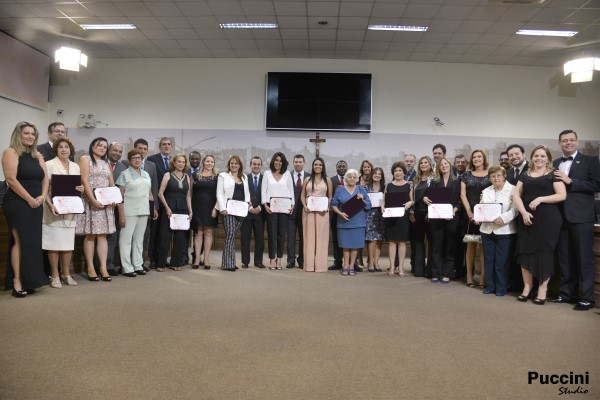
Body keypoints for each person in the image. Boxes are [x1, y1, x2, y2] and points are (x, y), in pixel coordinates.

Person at [550, 130, 600, 311]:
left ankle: (586, 298)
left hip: (581, 217)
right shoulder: (555, 163)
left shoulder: (591, 160)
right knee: (565, 257)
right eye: (564, 141)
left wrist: (571, 181)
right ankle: (566, 294)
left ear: (577, 142)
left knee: (584, 258)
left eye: (571, 140)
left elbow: (597, 185)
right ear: (559, 143)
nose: (568, 143)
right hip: (560, 216)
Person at [512, 145, 566, 305]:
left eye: (543, 156)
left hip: (549, 219)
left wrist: (541, 199)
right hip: (527, 217)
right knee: (525, 251)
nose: (539, 159)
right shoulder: (525, 174)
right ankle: (527, 288)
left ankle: (543, 290)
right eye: (536, 156)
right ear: (532, 158)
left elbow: (562, 195)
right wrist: (523, 212)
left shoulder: (553, 174)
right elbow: (515, 195)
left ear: (548, 159)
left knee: (545, 252)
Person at [2, 122, 49, 297]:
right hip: (18, 203)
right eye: (26, 133)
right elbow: (11, 180)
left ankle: (30, 280)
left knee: (32, 244)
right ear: (18, 135)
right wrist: (29, 199)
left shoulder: (37, 155)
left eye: (33, 134)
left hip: (36, 202)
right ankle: (17, 281)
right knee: (20, 242)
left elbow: (45, 179)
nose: (30, 136)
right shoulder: (11, 152)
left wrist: (43, 197)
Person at [42, 137, 82, 288]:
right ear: (56, 150)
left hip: (71, 210)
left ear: (70, 150)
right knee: (54, 244)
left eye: (67, 147)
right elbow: (44, 190)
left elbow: (78, 187)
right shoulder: (48, 165)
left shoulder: (75, 166)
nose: (64, 149)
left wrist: (82, 190)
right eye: (61, 147)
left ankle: (66, 274)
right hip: (54, 210)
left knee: (67, 244)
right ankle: (55, 275)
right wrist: (50, 204)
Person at [75, 137, 117, 282]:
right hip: (90, 200)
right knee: (91, 235)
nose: (102, 148)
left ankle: (103, 268)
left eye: (105, 147)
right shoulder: (85, 159)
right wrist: (92, 200)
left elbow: (111, 183)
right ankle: (90, 267)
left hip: (105, 203)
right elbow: (84, 181)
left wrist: (114, 198)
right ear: (92, 146)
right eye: (99, 145)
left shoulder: (106, 163)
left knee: (103, 236)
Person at [479, 166, 518, 296]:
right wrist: (479, 215)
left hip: (505, 230)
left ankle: (501, 288)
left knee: (502, 261)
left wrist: (503, 218)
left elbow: (516, 208)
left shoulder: (513, 189)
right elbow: (482, 207)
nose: (496, 178)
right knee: (489, 260)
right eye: (493, 176)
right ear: (489, 178)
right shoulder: (485, 191)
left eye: (498, 175)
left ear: (504, 176)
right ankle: (490, 286)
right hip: (487, 230)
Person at [116, 149, 153, 277]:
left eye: (139, 158)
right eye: (134, 158)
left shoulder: (146, 174)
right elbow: (119, 197)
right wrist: (121, 214)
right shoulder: (124, 174)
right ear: (129, 160)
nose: (137, 160)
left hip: (144, 211)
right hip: (129, 212)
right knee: (126, 240)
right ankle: (127, 267)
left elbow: (149, 194)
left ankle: (138, 265)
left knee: (139, 240)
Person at [124, 138, 159, 272]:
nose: (142, 152)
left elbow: (153, 188)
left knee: (142, 237)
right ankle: (128, 266)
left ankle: (139, 263)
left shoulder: (151, 166)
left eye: (145, 149)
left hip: (145, 207)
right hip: (130, 208)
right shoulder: (124, 165)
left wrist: (154, 206)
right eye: (140, 148)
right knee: (128, 238)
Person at [425, 157, 461, 284]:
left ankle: (447, 273)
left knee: (450, 246)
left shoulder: (457, 181)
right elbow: (428, 198)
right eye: (441, 165)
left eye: (446, 164)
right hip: (436, 219)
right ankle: (436, 273)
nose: (444, 166)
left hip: (451, 218)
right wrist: (425, 198)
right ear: (438, 168)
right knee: (436, 246)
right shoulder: (434, 182)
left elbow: (460, 202)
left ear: (450, 166)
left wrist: (454, 210)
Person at [331, 169, 371, 276]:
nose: (352, 179)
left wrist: (362, 199)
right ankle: (345, 265)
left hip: (358, 223)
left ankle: (352, 266)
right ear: (346, 178)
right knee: (346, 246)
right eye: (350, 177)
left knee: (355, 246)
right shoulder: (340, 190)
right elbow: (333, 204)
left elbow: (369, 206)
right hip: (344, 223)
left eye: (354, 177)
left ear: (357, 179)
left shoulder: (361, 190)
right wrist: (340, 213)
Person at [460, 149, 491, 288]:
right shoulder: (466, 175)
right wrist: (469, 213)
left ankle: (483, 278)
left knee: (484, 246)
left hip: (487, 213)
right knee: (470, 245)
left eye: (479, 157)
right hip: (470, 214)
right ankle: (469, 276)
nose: (477, 159)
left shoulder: (491, 174)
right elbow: (462, 195)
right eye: (474, 157)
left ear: (484, 158)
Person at [157, 154, 192, 272]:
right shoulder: (168, 175)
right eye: (179, 161)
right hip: (169, 210)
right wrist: (166, 208)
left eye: (183, 162)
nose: (181, 164)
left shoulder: (187, 177)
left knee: (180, 238)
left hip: (182, 211)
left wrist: (190, 210)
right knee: (165, 237)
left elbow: (188, 196)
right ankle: (160, 264)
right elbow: (160, 193)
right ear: (174, 163)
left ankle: (175, 263)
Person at [216, 155, 250, 271]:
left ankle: (230, 261)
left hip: (240, 210)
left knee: (232, 236)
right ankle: (227, 264)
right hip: (228, 210)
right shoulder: (223, 176)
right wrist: (222, 208)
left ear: (239, 165)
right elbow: (219, 193)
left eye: (236, 163)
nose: (234, 165)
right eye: (232, 163)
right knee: (230, 234)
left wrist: (248, 204)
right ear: (229, 165)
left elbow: (247, 193)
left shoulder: (244, 177)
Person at [262, 152, 294, 270]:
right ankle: (271, 258)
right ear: (273, 161)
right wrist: (265, 204)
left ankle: (279, 258)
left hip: (285, 207)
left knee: (281, 234)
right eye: (276, 160)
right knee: (272, 234)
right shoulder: (267, 173)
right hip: (270, 207)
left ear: (283, 162)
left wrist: (292, 205)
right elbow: (263, 190)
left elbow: (291, 190)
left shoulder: (287, 174)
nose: (278, 162)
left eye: (280, 161)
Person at [300, 157, 332, 272]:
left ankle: (320, 266)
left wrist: (326, 206)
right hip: (308, 212)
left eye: (320, 165)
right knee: (309, 238)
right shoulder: (307, 179)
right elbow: (302, 195)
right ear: (312, 166)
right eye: (315, 165)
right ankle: (309, 265)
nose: (317, 166)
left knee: (321, 239)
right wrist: (304, 206)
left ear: (323, 167)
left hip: (322, 214)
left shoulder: (327, 180)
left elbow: (330, 196)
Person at [382, 162, 413, 277]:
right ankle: (391, 267)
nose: (398, 173)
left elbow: (412, 200)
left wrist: (410, 203)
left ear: (404, 173)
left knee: (402, 242)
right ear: (393, 173)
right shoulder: (389, 185)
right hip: (391, 216)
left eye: (400, 170)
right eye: (395, 171)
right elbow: (384, 201)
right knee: (391, 242)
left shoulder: (408, 185)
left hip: (403, 217)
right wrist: (382, 206)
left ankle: (401, 267)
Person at [146, 137, 173, 269]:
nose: (166, 146)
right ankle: (152, 259)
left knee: (166, 234)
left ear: (171, 147)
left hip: (170, 203)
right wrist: (153, 204)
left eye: (169, 144)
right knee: (155, 232)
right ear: (159, 146)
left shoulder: (175, 162)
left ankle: (163, 257)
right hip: (157, 202)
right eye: (164, 144)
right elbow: (150, 182)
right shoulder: (152, 160)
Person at [191, 154, 218, 270]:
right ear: (203, 163)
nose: (209, 163)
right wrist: (190, 209)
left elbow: (219, 195)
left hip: (210, 208)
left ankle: (206, 259)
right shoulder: (195, 175)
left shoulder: (217, 177)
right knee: (198, 233)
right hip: (197, 207)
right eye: (207, 161)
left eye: (212, 162)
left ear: (214, 164)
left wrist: (215, 208)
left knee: (208, 233)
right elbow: (190, 193)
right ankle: (197, 259)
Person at [410, 156, 435, 278]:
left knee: (431, 243)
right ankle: (419, 270)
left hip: (429, 214)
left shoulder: (435, 179)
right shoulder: (415, 180)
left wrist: (431, 211)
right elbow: (411, 198)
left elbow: (435, 197)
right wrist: (411, 212)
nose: (423, 164)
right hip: (417, 214)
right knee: (418, 243)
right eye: (421, 163)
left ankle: (429, 271)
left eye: (426, 162)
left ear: (430, 164)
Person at [241, 156, 266, 269]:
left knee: (260, 240)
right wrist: (249, 207)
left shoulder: (265, 179)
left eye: (258, 164)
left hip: (260, 214)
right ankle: (245, 262)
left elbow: (267, 194)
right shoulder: (244, 178)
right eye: (254, 164)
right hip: (247, 213)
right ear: (250, 165)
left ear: (261, 166)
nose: (256, 166)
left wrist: (260, 207)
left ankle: (258, 262)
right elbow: (241, 194)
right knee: (245, 239)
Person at [105, 142, 126, 276]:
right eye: (115, 150)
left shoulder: (123, 167)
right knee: (97, 237)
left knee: (112, 237)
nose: (117, 153)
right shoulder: (98, 163)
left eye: (119, 151)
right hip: (98, 206)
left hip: (116, 207)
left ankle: (109, 265)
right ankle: (97, 265)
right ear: (108, 150)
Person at [288, 154, 310, 269]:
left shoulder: (309, 177)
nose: (298, 164)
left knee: (303, 237)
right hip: (290, 211)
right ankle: (291, 260)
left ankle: (302, 260)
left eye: (300, 162)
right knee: (291, 237)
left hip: (305, 211)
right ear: (293, 163)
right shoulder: (287, 175)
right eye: (296, 162)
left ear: (304, 162)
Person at [328, 160, 347, 270]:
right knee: (336, 238)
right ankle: (338, 261)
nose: (341, 167)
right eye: (339, 166)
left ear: (346, 168)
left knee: (348, 237)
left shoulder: (351, 179)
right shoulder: (331, 180)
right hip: (335, 213)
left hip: (349, 213)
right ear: (336, 168)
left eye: (343, 166)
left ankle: (352, 262)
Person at [365, 167, 385, 272]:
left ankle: (376, 262)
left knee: (379, 240)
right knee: (371, 240)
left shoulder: (384, 188)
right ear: (372, 175)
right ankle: (371, 262)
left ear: (382, 176)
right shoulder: (366, 188)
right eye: (375, 173)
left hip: (381, 215)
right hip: (369, 215)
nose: (377, 175)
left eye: (379, 174)